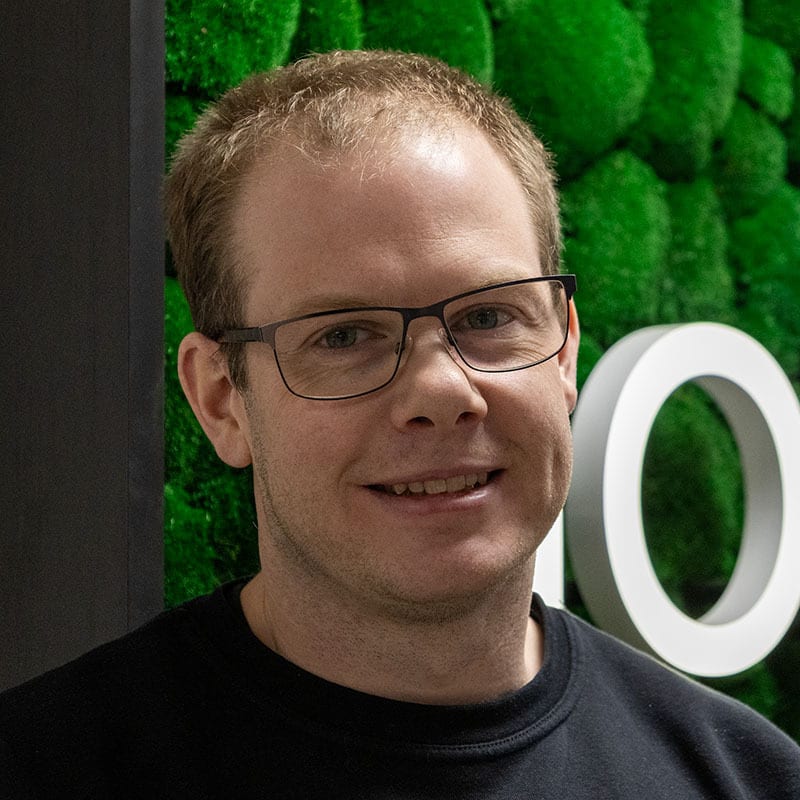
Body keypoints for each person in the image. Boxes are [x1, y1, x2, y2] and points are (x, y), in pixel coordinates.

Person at [1, 49, 798, 798]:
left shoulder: (749, 779)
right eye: (344, 336)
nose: (442, 391)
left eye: (489, 316)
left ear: (563, 352)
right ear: (220, 399)